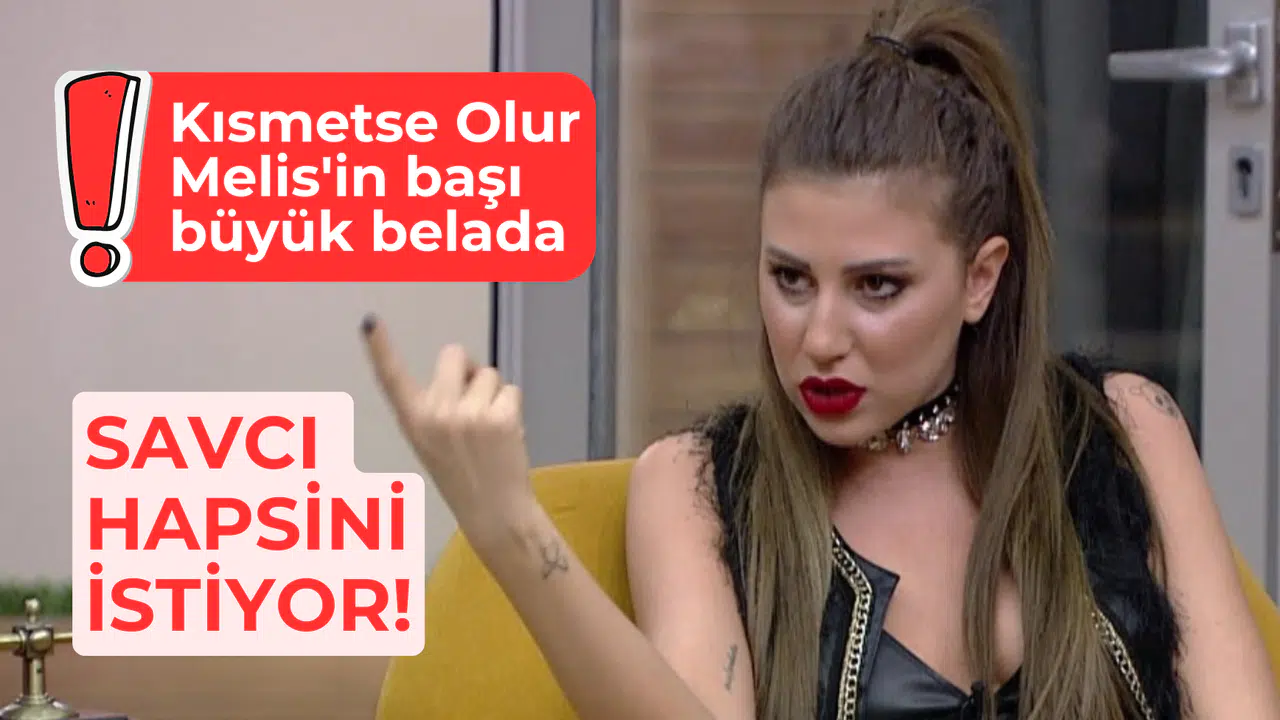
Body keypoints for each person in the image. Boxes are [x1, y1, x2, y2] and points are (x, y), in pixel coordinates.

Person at [360, 0, 1280, 718]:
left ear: (981, 278)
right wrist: (508, 529)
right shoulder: (698, 486)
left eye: (878, 286)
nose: (821, 336)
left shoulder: (1124, 429)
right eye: (790, 278)